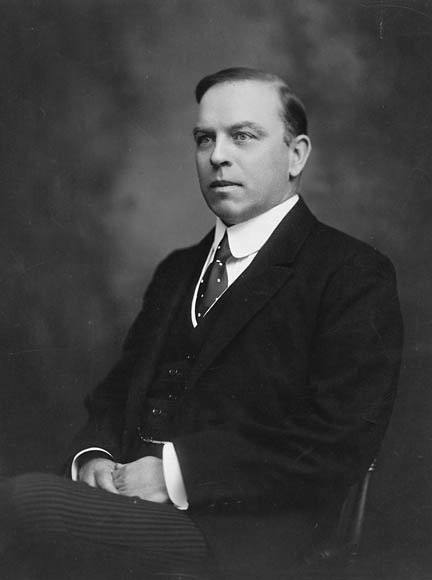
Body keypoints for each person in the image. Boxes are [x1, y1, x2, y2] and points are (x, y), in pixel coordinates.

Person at [0, 67, 403, 580]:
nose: (217, 156)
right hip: (132, 511)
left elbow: (339, 441)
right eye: (204, 138)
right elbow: (116, 396)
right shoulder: (177, 270)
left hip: (242, 534)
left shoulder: (350, 273)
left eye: (243, 136)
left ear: (296, 155)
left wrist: (174, 475)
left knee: (19, 505)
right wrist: (93, 458)